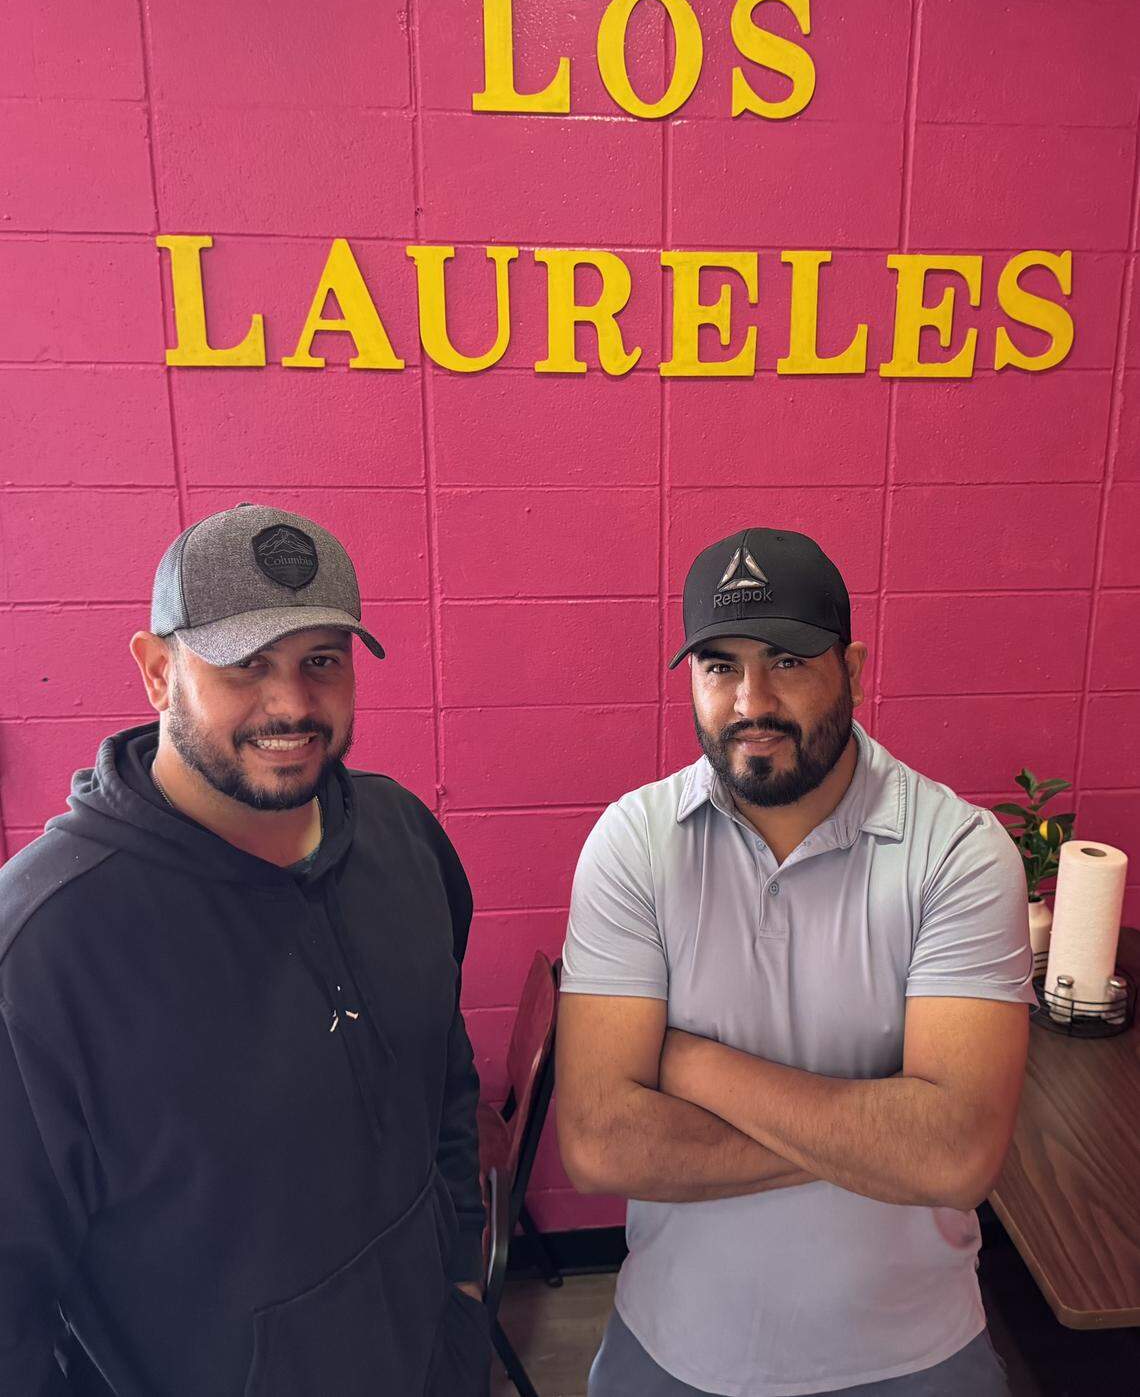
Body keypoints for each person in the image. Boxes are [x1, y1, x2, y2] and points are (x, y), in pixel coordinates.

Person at [0, 503, 491, 1397]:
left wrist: (458, 1282)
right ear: (157, 671)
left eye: (322, 661)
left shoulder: (402, 835)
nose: (292, 703)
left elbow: (445, 1078)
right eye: (245, 664)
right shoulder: (43, 952)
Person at [557, 526, 1033, 1397]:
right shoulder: (634, 843)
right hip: (672, 1346)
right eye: (719, 667)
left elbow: (958, 1155)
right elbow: (596, 1143)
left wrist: (689, 1062)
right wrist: (881, 1140)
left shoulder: (957, 851)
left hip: (915, 1355)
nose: (751, 699)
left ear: (853, 668)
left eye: (787, 660)